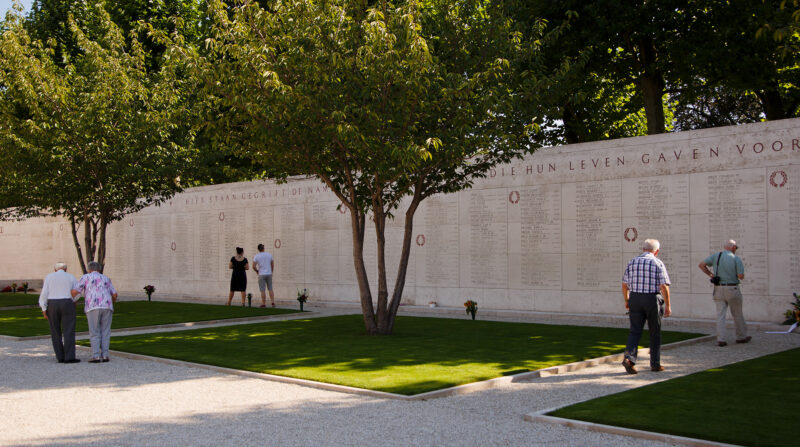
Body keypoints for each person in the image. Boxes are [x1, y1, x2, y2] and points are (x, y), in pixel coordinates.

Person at [621, 239, 671, 374]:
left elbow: (624, 284)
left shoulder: (632, 262)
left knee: (634, 331)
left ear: (643, 249)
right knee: (655, 332)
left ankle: (629, 358)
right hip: (651, 298)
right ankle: (655, 364)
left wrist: (627, 299)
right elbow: (664, 286)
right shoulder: (657, 262)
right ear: (657, 251)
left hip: (635, 298)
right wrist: (668, 305)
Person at [698, 239, 751, 347]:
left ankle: (721, 339)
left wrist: (711, 275)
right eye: (736, 247)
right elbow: (741, 276)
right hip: (732, 288)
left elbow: (701, 265)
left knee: (720, 315)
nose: (736, 249)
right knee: (737, 314)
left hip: (718, 288)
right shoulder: (735, 258)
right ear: (733, 247)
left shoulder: (716, 256)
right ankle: (741, 337)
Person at [71, 261, 117, 363]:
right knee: (106, 331)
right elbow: (114, 294)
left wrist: (68, 298)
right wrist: (111, 302)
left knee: (94, 331)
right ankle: (105, 355)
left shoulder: (86, 277)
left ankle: (96, 355)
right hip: (107, 306)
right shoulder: (106, 278)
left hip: (92, 306)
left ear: (89, 269)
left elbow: (75, 291)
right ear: (99, 269)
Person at [39, 262, 80, 364]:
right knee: (69, 330)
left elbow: (44, 293)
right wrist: (74, 300)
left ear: (55, 269)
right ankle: (69, 357)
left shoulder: (49, 277)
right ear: (66, 269)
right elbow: (78, 291)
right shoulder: (71, 277)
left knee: (55, 330)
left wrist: (44, 308)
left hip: (52, 303)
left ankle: (60, 356)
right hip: (67, 302)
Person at [252, 243, 275, 308]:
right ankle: (272, 302)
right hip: (269, 273)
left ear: (258, 249)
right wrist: (271, 272)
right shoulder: (269, 255)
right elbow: (272, 264)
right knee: (270, 288)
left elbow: (253, 266)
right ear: (263, 248)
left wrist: (257, 271)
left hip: (261, 274)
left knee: (262, 290)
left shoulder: (257, 256)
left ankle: (263, 303)